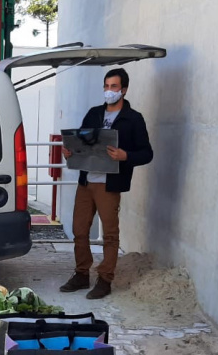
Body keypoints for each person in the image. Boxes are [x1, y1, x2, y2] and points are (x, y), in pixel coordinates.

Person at [59, 68, 153, 299]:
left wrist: (125, 155)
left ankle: (105, 280)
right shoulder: (93, 113)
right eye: (106, 86)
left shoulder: (133, 119)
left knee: (110, 234)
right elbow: (81, 141)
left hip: (109, 184)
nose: (109, 91)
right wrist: (70, 152)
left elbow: (147, 153)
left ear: (124, 90)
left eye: (114, 86)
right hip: (86, 180)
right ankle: (82, 274)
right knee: (79, 230)